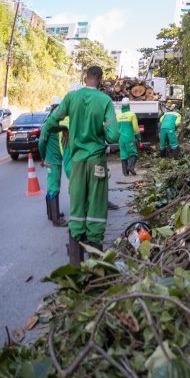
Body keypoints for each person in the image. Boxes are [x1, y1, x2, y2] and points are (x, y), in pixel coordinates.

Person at [42, 66, 119, 266]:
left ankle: (75, 264)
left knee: (77, 206)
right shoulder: (105, 101)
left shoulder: (70, 98)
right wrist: (99, 132)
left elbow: (50, 123)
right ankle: (96, 265)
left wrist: (64, 128)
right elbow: (113, 136)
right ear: (100, 80)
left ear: (85, 78)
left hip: (76, 162)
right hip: (96, 162)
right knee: (96, 206)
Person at [38, 96, 68, 227]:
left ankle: (51, 214)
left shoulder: (58, 124)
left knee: (54, 187)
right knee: (54, 188)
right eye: (56, 107)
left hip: (57, 160)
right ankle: (55, 219)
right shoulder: (48, 124)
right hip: (52, 161)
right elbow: (41, 144)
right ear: (53, 108)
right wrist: (43, 158)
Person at [116, 97, 140, 175]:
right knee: (133, 153)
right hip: (129, 137)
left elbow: (116, 127)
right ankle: (130, 167)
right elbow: (136, 128)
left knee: (123, 155)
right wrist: (138, 137)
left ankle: (125, 173)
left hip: (121, 139)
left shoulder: (118, 115)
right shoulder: (132, 114)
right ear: (129, 105)